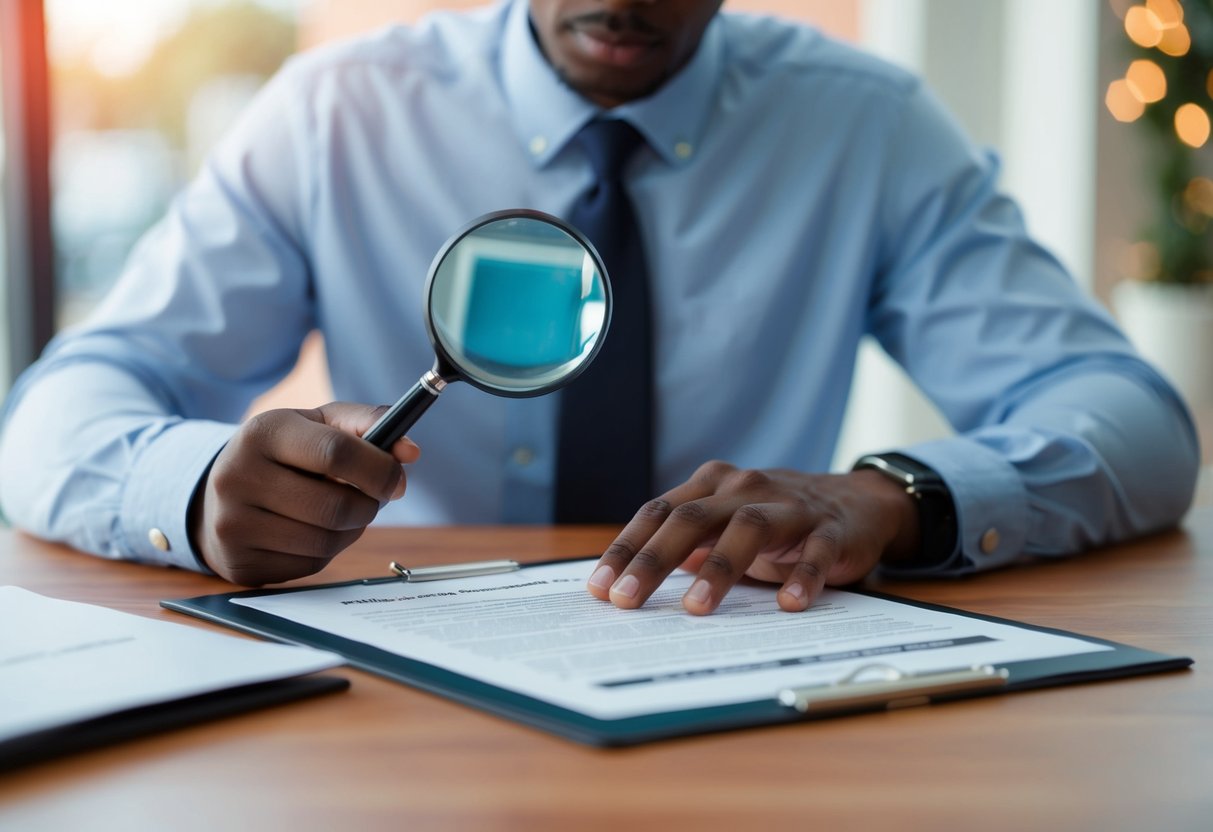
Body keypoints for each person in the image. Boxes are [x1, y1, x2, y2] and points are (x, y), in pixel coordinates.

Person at [0, 0, 1199, 614]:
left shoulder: (866, 126)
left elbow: (1135, 427)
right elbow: (59, 412)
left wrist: (891, 497)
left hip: (732, 670)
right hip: (402, 690)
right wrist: (199, 493)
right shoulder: (333, 112)